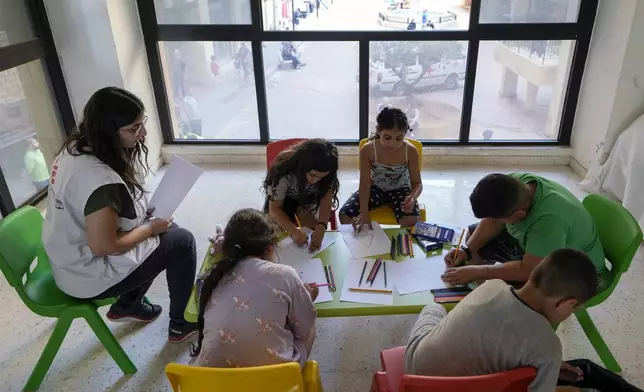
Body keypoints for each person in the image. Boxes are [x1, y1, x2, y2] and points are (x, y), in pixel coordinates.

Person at [42, 87, 198, 343]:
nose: (144, 133)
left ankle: (129, 303)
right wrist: (148, 229)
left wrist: (146, 223)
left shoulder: (74, 149)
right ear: (107, 132)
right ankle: (181, 324)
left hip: (66, 259)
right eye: (134, 128)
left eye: (142, 123)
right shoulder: (100, 181)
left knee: (168, 230)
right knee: (182, 241)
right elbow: (106, 246)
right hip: (87, 275)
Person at [406, 249, 599, 392]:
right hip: (455, 388)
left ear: (534, 274)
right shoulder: (548, 346)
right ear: (566, 303)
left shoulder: (492, 285)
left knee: (434, 308)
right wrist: (553, 372)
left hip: (415, 366)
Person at [189, 209, 318, 368]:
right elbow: (303, 328)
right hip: (275, 380)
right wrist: (306, 298)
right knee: (309, 324)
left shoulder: (214, 277)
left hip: (210, 381)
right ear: (270, 248)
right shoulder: (285, 274)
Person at [442, 173, 607, 290]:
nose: (493, 221)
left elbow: (529, 270)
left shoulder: (548, 222)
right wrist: (467, 250)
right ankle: (483, 294)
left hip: (576, 270)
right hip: (545, 244)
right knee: (474, 237)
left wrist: (478, 272)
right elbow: (492, 222)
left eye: (498, 219)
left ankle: (494, 303)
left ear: (519, 214)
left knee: (521, 291)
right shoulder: (515, 185)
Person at [339, 107, 422, 230]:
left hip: (401, 189)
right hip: (375, 188)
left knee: (411, 220)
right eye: (387, 137)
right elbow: (365, 184)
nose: (392, 144)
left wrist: (412, 198)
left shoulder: (410, 151)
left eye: (399, 138)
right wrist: (364, 213)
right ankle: (365, 243)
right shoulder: (368, 150)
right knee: (344, 216)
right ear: (378, 131)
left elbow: (417, 183)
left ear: (405, 134)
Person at [262, 139, 339, 252]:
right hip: (283, 199)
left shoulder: (327, 172)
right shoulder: (284, 168)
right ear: (302, 166)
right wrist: (293, 231)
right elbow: (274, 209)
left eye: (321, 177)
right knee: (273, 233)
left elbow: (326, 200)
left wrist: (322, 227)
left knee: (311, 227)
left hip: (308, 197)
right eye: (312, 175)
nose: (315, 180)